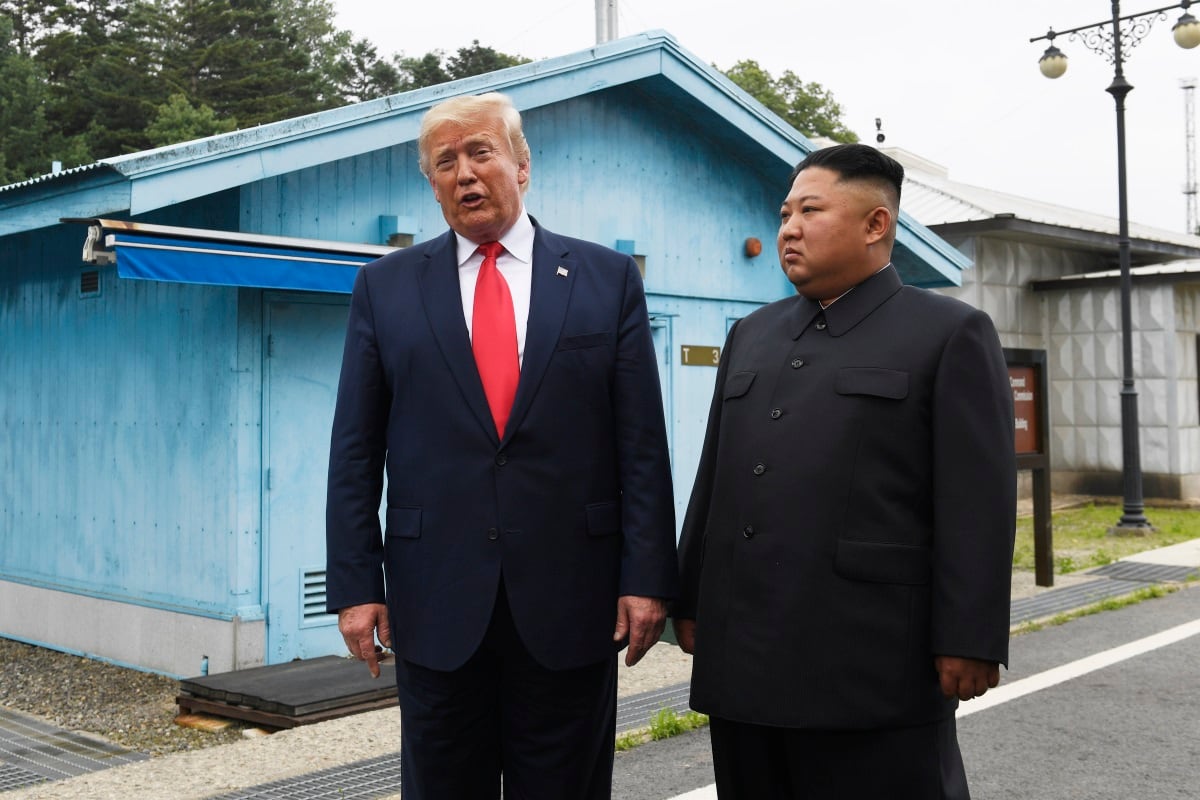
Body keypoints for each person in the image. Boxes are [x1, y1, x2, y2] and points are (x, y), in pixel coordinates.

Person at [325, 92, 677, 799]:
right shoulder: (385, 287)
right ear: (431, 183)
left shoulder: (605, 281)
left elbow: (640, 443)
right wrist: (357, 586)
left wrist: (647, 578)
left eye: (480, 152)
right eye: (444, 162)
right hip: (434, 598)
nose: (464, 173)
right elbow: (356, 451)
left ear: (522, 164)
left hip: (572, 598)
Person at [672, 143, 1016, 799]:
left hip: (871, 657)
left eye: (810, 210)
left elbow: (978, 500)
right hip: (744, 653)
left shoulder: (947, 332)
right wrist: (689, 597)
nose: (789, 229)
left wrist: (970, 635)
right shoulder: (754, 332)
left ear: (875, 224)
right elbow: (715, 473)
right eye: (783, 214)